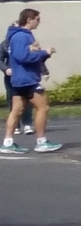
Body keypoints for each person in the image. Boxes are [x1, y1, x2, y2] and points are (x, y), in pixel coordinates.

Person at [4, 10, 61, 154]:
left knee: (16, 110)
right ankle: (41, 142)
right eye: (37, 19)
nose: (39, 22)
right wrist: (44, 52)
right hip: (27, 79)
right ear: (29, 19)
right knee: (43, 108)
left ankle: (8, 142)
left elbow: (27, 56)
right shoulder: (21, 36)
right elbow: (22, 57)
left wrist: (41, 55)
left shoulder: (19, 36)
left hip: (20, 79)